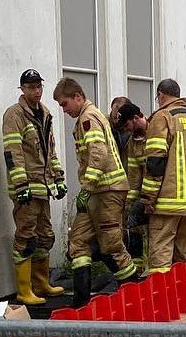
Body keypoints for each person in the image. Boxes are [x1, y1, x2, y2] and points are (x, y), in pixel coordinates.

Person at [53, 77, 138, 308]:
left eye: (64, 104)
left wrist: (86, 188)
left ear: (77, 97)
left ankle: (133, 290)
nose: (64, 110)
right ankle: (81, 302)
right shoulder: (89, 116)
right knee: (78, 241)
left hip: (106, 191)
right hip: (99, 192)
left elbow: (98, 155)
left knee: (111, 244)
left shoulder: (88, 118)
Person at [1, 68, 67, 306]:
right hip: (27, 189)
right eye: (31, 87)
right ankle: (24, 290)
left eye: (39, 86)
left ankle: (41, 283)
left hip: (44, 187)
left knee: (45, 236)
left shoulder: (45, 113)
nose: (36, 91)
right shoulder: (14, 115)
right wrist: (21, 185)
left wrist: (58, 178)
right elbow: (13, 153)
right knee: (26, 237)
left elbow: (51, 151)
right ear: (22, 89)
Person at [141, 78, 186, 273]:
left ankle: (161, 298)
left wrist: (148, 198)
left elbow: (155, 162)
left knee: (160, 253)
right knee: (183, 252)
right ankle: (183, 298)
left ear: (161, 94)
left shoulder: (163, 118)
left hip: (167, 201)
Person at [110, 98, 149, 261]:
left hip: (157, 197)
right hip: (143, 196)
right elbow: (134, 176)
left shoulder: (157, 132)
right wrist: (131, 203)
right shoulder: (133, 142)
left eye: (127, 126)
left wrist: (148, 198)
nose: (127, 131)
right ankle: (138, 271)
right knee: (135, 229)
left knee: (158, 241)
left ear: (135, 118)